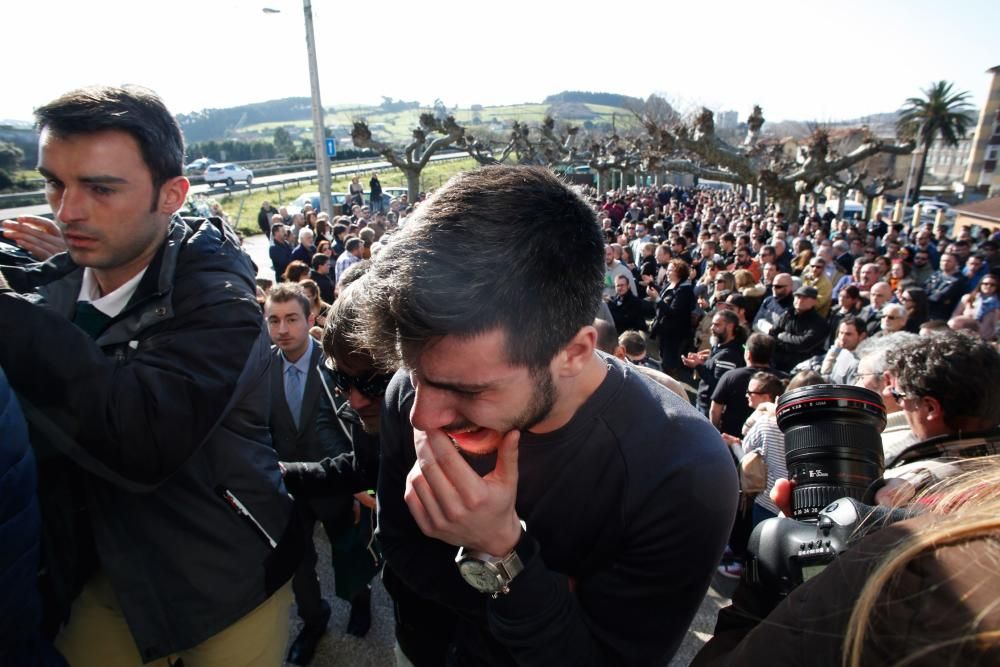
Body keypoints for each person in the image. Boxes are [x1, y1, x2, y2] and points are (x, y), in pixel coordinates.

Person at [358, 166, 736, 665]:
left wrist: (500, 550)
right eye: (415, 373)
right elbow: (400, 545)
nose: (422, 417)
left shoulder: (683, 471)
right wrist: (553, 600)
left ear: (574, 353)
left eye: (467, 390)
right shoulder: (413, 391)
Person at [0, 85, 300, 666]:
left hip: (224, 585)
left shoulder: (221, 303)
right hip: (97, 582)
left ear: (172, 194)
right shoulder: (54, 284)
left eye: (100, 188)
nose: (66, 211)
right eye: (55, 183)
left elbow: (138, 435)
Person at [264, 284, 373, 664]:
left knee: (350, 552)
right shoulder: (261, 369)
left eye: (291, 318)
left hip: (337, 487)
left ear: (310, 317)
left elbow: (356, 426)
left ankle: (361, 602)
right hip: (289, 490)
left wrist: (361, 486)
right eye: (273, 320)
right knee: (299, 564)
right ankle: (314, 621)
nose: (282, 329)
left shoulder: (334, 367)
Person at [682, 309, 746, 417]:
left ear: (730, 326)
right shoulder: (721, 345)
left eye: (717, 325)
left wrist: (697, 366)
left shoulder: (729, 355)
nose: (712, 328)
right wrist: (705, 361)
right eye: (712, 324)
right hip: (703, 402)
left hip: (709, 408)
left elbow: (718, 385)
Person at [649, 257, 695, 376]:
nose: (667, 272)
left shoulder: (684, 290)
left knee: (669, 362)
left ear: (679, 272)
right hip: (664, 330)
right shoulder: (670, 284)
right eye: (668, 270)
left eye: (670, 270)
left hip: (674, 333)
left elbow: (673, 312)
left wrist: (657, 299)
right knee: (662, 357)